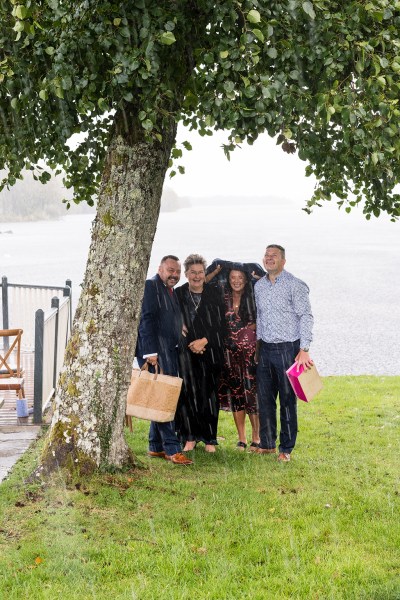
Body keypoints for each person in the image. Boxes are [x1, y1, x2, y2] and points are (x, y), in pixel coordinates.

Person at [254, 244, 314, 462]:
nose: (269, 259)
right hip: (265, 349)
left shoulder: (295, 285)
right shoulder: (258, 286)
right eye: (266, 255)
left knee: (288, 401)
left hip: (288, 349)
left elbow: (306, 316)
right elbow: (259, 318)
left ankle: (285, 449)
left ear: (283, 261)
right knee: (265, 399)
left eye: (274, 256)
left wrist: (304, 348)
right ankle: (267, 444)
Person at [136, 255, 193, 465]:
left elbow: (168, 316)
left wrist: (179, 329)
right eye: (171, 270)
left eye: (177, 272)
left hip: (169, 349)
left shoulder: (169, 290)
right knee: (164, 399)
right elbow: (146, 318)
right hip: (156, 352)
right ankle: (172, 449)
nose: (174, 275)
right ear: (160, 269)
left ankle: (155, 446)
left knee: (160, 396)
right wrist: (150, 352)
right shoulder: (151, 286)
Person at [175, 254, 226, 453]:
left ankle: (209, 438)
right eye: (192, 272)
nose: (197, 276)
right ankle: (189, 437)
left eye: (200, 272)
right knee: (188, 394)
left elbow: (222, 325)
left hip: (210, 350)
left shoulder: (215, 293)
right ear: (186, 274)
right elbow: (171, 319)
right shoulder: (178, 294)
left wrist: (204, 341)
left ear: (205, 274)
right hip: (186, 352)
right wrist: (178, 328)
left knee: (209, 395)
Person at [218, 269, 260, 451]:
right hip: (229, 354)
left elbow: (263, 320)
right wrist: (218, 269)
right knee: (236, 394)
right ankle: (241, 439)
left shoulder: (254, 297)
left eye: (240, 278)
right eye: (232, 277)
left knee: (252, 394)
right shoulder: (222, 295)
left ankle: (256, 437)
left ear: (246, 280)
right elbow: (203, 279)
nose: (236, 281)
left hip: (250, 354)